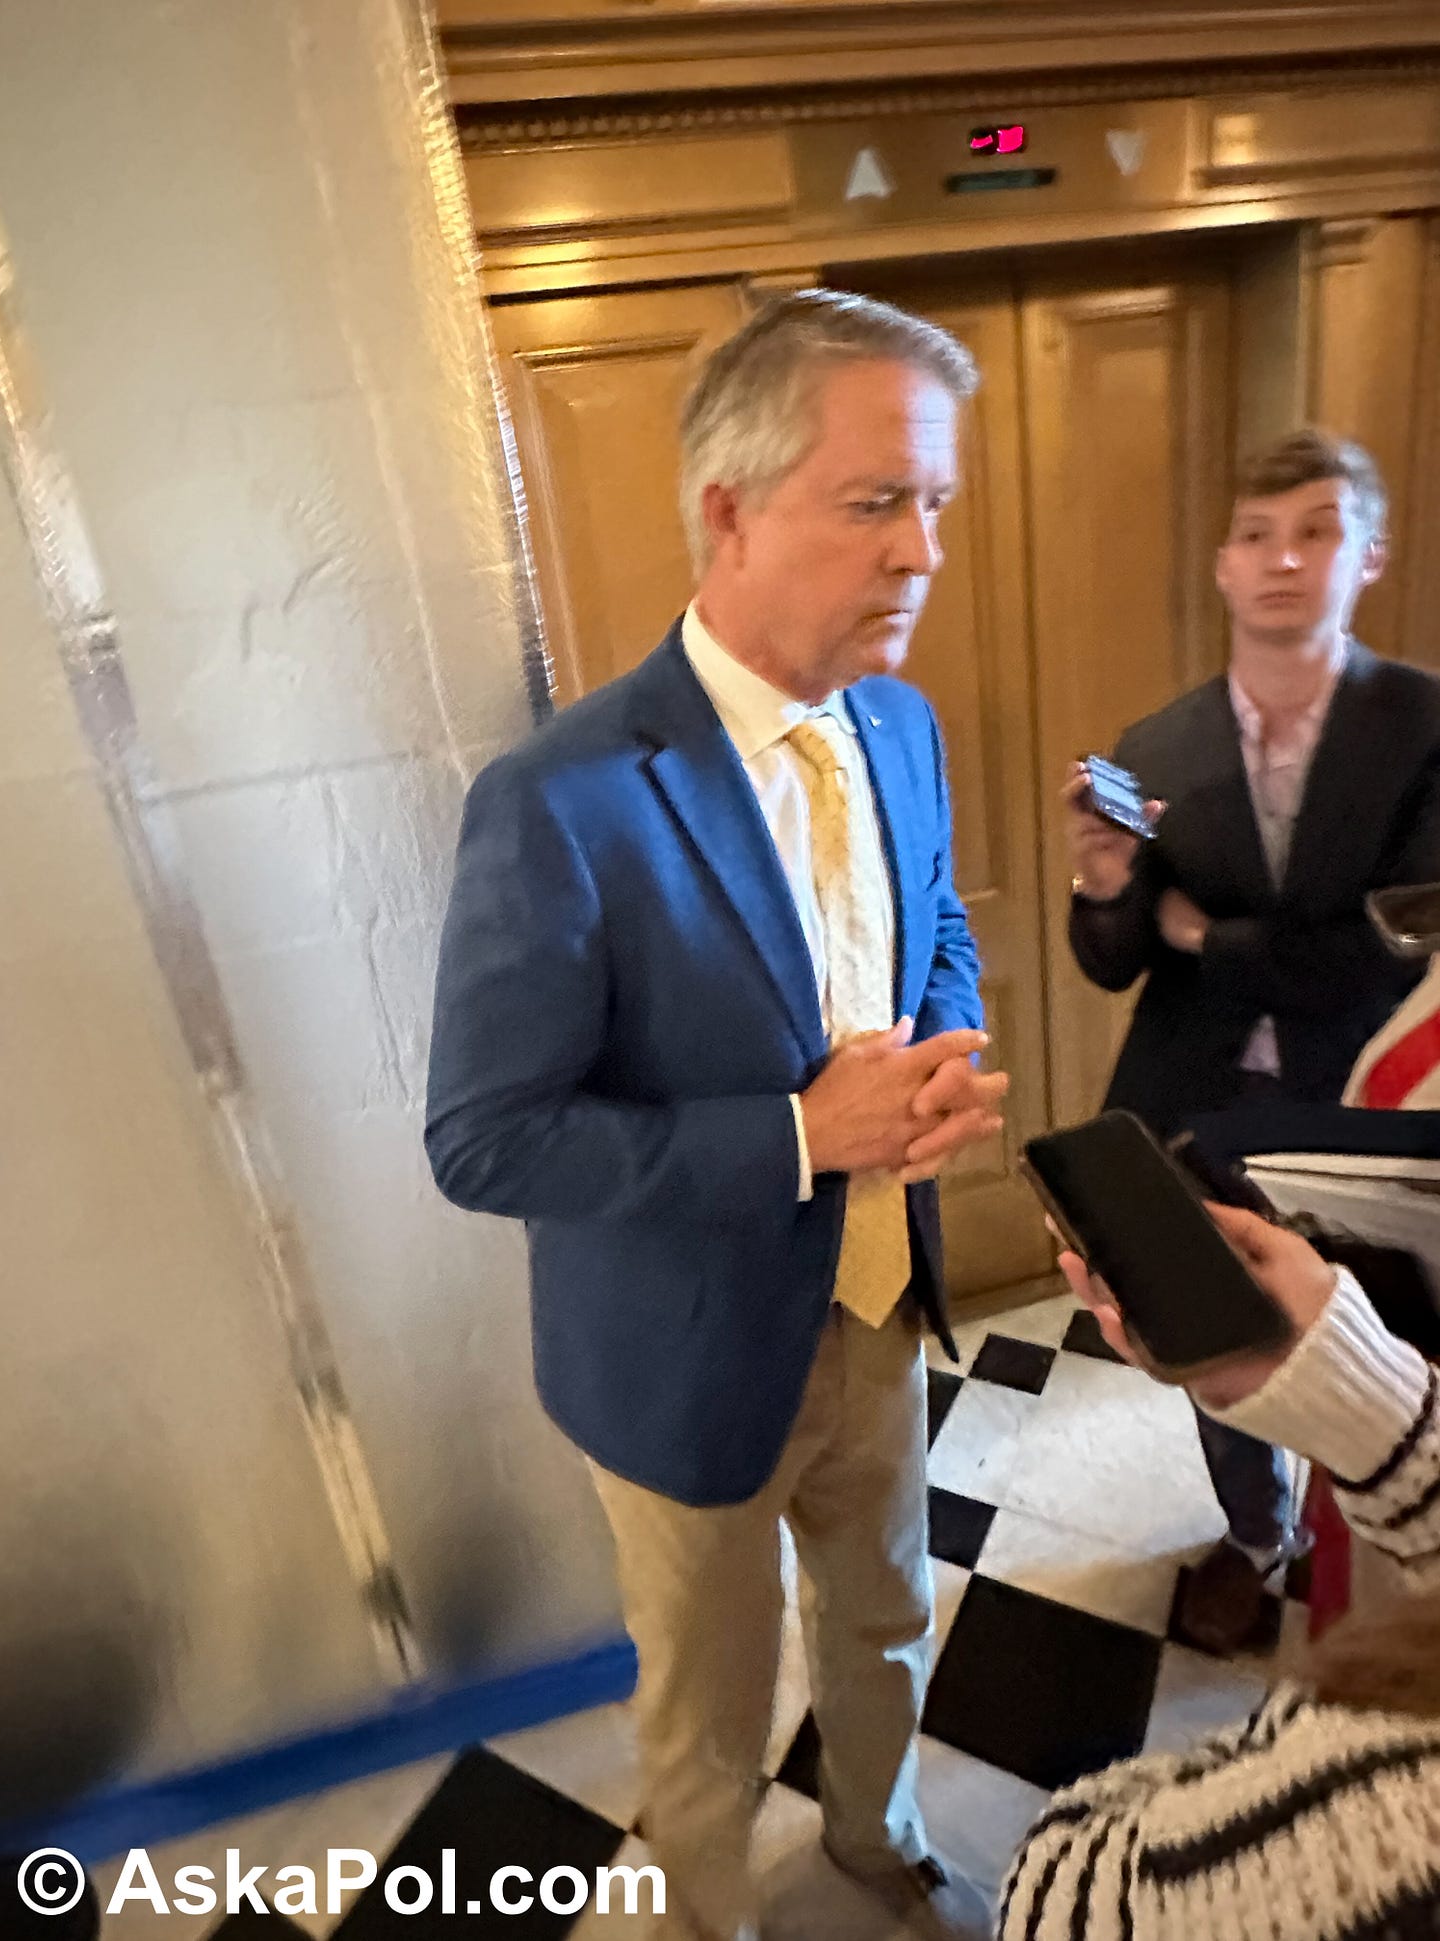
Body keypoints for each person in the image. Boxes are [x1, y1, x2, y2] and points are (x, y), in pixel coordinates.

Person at [425, 290, 1010, 1941]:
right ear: (729, 509)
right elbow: (485, 1137)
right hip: (679, 1353)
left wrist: (949, 1038)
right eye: (875, 499)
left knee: (888, 1610)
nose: (921, 555)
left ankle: (877, 1841)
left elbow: (933, 922)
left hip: (885, 1305)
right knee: (704, 1704)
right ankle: (709, 1920)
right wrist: (807, 1136)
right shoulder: (562, 798)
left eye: (935, 506)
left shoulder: (901, 721)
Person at [1064, 429, 1440, 1654]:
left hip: (1367, 1120)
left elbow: (1387, 951)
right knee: (1215, 1335)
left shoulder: (1426, 728)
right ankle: (1251, 1541)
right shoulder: (1156, 745)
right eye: (1255, 535)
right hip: (1193, 1105)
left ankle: (1380, 1560)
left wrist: (1204, 935)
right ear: (1222, 567)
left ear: (1367, 553)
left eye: (1316, 530)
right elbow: (1112, 961)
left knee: (1378, 1338)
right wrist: (1111, 888)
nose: (1282, 558)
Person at [998, 1206, 1440, 1939]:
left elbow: (1053, 1895)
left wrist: (1269, 1767)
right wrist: (1374, 1397)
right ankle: (1260, 1533)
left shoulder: (1393, 1826)